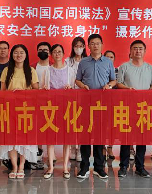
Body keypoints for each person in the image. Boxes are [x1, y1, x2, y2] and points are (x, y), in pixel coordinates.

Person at [75, 34, 117, 180]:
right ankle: (84, 167)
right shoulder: (83, 62)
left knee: (99, 136)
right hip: (86, 103)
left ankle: (99, 167)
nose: (95, 46)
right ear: (88, 46)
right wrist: (82, 85)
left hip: (102, 105)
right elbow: (77, 80)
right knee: (85, 136)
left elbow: (114, 80)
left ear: (102, 45)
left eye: (98, 43)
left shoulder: (108, 62)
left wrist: (109, 85)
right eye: (92, 43)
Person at [0, 44, 40, 179]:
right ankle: (14, 166)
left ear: (26, 55)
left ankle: (21, 166)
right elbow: (2, 91)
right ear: (12, 55)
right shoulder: (7, 70)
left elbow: (36, 90)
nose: (19, 55)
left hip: (26, 110)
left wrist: (24, 92)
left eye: (21, 52)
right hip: (10, 109)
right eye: (16, 52)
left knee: (24, 139)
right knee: (11, 139)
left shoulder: (31, 70)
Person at [116, 40, 152, 178]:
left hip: (144, 108)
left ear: (144, 51)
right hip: (127, 107)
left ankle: (140, 166)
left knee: (141, 138)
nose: (138, 51)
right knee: (126, 138)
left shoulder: (150, 68)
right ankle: (123, 166)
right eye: (135, 48)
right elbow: (118, 84)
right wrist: (127, 89)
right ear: (130, 51)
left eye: (140, 48)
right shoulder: (124, 67)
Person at [43, 44, 76, 179]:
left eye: (59, 52)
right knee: (50, 138)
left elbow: (74, 88)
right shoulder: (47, 70)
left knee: (66, 139)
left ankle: (65, 167)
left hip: (66, 107)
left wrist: (70, 89)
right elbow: (42, 88)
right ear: (51, 54)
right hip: (51, 107)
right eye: (55, 52)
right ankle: (51, 167)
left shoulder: (70, 70)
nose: (57, 54)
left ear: (63, 54)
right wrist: (45, 89)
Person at [65, 37, 87, 162]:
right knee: (72, 122)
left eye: (81, 46)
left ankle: (80, 149)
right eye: (76, 46)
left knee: (82, 123)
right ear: (73, 47)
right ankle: (73, 147)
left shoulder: (87, 60)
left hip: (84, 94)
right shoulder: (67, 61)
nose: (78, 48)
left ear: (84, 47)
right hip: (70, 95)